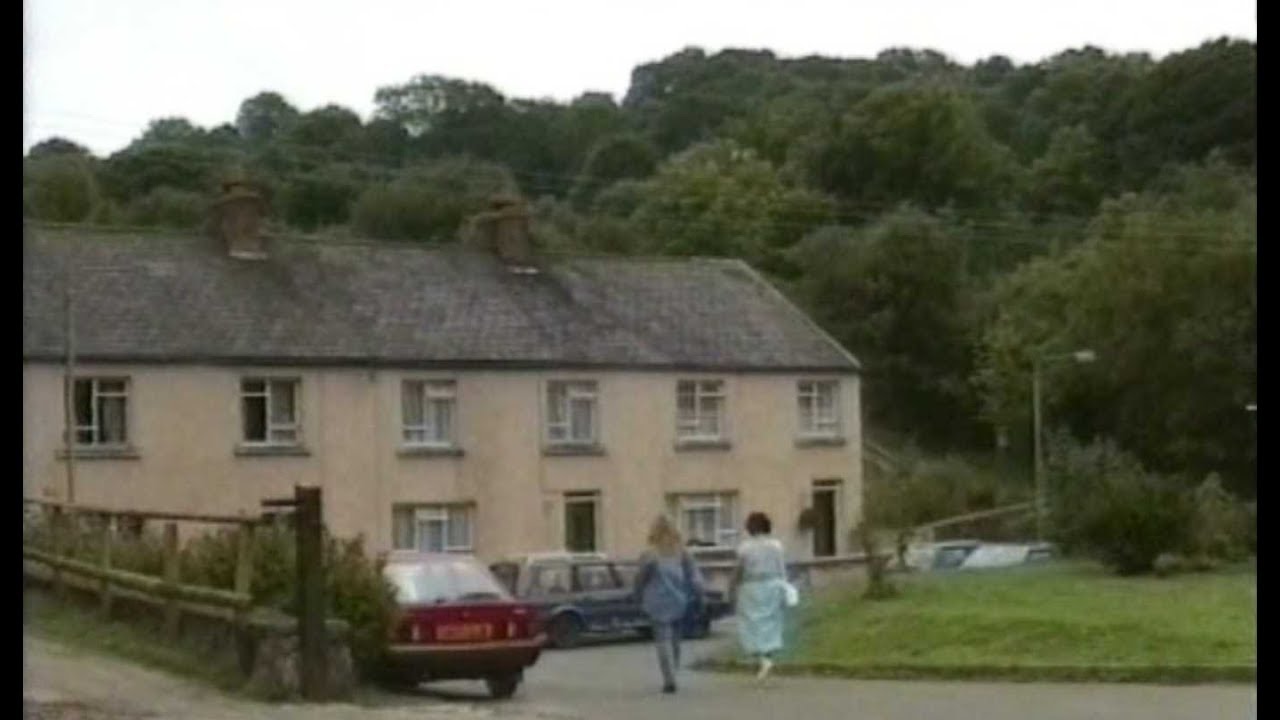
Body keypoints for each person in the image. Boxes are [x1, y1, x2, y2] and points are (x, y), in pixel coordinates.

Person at [632, 515, 705, 694]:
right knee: (675, 640)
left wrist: (637, 596)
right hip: (679, 600)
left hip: (656, 601)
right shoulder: (682, 553)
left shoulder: (649, 555)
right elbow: (695, 577)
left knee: (662, 640)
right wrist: (699, 595)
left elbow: (640, 579)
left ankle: (669, 678)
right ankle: (674, 672)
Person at [730, 511, 788, 681]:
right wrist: (784, 589)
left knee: (752, 624)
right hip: (772, 586)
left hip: (751, 588)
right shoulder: (777, 546)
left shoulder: (745, 548)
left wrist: (731, 588)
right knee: (771, 623)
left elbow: (739, 571)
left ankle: (761, 659)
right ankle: (767, 657)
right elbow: (781, 570)